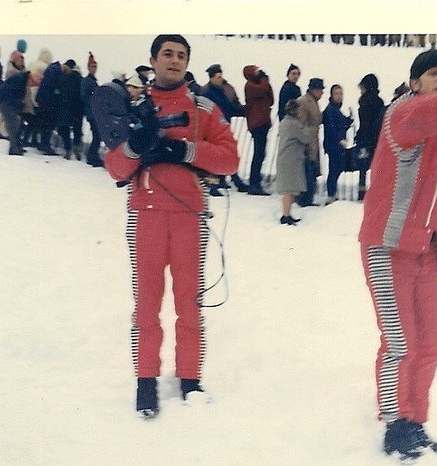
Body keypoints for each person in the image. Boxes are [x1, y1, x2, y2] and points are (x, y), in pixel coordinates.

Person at [104, 34, 239, 418]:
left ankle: (189, 378)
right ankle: (145, 381)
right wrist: (136, 145)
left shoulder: (204, 107)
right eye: (167, 54)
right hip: (145, 213)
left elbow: (230, 159)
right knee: (146, 302)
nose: (174, 60)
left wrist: (185, 150)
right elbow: (115, 167)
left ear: (187, 63)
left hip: (188, 215)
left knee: (189, 301)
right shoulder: (134, 105)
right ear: (153, 60)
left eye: (181, 55)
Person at [359, 49, 437, 461]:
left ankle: (416, 421)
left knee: (430, 343)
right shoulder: (403, 115)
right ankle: (395, 423)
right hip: (387, 248)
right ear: (414, 83)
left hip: (428, 252)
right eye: (436, 75)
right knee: (399, 343)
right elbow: (428, 114)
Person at [202, 63, 248, 194]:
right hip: (211, 129)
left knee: (227, 152)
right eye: (218, 77)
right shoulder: (207, 93)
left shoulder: (221, 91)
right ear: (211, 78)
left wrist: (245, 111)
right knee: (214, 155)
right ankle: (215, 185)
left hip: (223, 127)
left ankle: (230, 180)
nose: (221, 79)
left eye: (221, 76)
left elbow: (230, 107)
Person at [276, 99, 311, 225]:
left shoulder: (284, 122)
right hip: (290, 160)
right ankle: (285, 215)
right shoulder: (294, 124)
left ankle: (287, 214)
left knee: (289, 188)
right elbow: (306, 137)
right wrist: (306, 127)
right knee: (289, 189)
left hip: (287, 159)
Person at [243, 64, 274, 195]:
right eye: (256, 71)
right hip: (257, 123)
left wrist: (265, 82)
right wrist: (265, 79)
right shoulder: (250, 86)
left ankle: (255, 182)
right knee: (258, 154)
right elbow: (263, 89)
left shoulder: (258, 84)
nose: (258, 72)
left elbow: (271, 99)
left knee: (261, 154)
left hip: (263, 122)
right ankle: (254, 183)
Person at [322, 84, 353, 204]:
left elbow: (342, 124)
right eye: (336, 93)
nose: (339, 96)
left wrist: (349, 119)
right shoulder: (330, 109)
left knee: (336, 169)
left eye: (341, 93)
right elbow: (331, 127)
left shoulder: (336, 109)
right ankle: (331, 194)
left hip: (338, 145)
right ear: (331, 95)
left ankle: (332, 193)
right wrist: (340, 139)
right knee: (334, 169)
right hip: (333, 145)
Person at [0, 70, 42, 155]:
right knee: (13, 126)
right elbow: (11, 93)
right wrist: (19, 103)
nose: (30, 86)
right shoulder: (20, 79)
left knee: (17, 125)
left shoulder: (22, 78)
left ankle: (17, 146)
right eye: (32, 84)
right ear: (31, 79)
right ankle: (13, 148)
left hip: (8, 103)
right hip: (6, 103)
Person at [355, 73, 384, 201]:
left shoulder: (364, 101)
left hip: (365, 139)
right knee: (376, 165)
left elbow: (364, 123)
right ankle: (377, 191)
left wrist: (359, 137)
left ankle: (361, 193)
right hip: (377, 138)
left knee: (363, 167)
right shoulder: (379, 101)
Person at [296, 78, 325, 206]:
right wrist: (304, 143)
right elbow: (301, 124)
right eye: (320, 90)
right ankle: (304, 199)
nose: (322, 93)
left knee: (311, 171)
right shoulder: (304, 102)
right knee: (307, 171)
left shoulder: (313, 101)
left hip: (313, 141)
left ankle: (308, 198)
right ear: (315, 90)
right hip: (307, 143)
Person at [56, 60, 84, 160]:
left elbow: (58, 92)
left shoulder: (63, 78)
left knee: (65, 128)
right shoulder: (81, 80)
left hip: (65, 107)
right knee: (77, 129)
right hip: (78, 108)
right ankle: (77, 149)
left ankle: (67, 149)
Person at [81, 52, 103, 167]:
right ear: (88, 67)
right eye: (92, 66)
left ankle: (93, 155)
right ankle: (92, 156)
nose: (94, 69)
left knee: (97, 135)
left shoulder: (92, 81)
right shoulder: (87, 81)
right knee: (97, 135)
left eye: (95, 67)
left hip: (94, 112)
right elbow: (84, 96)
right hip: (91, 112)